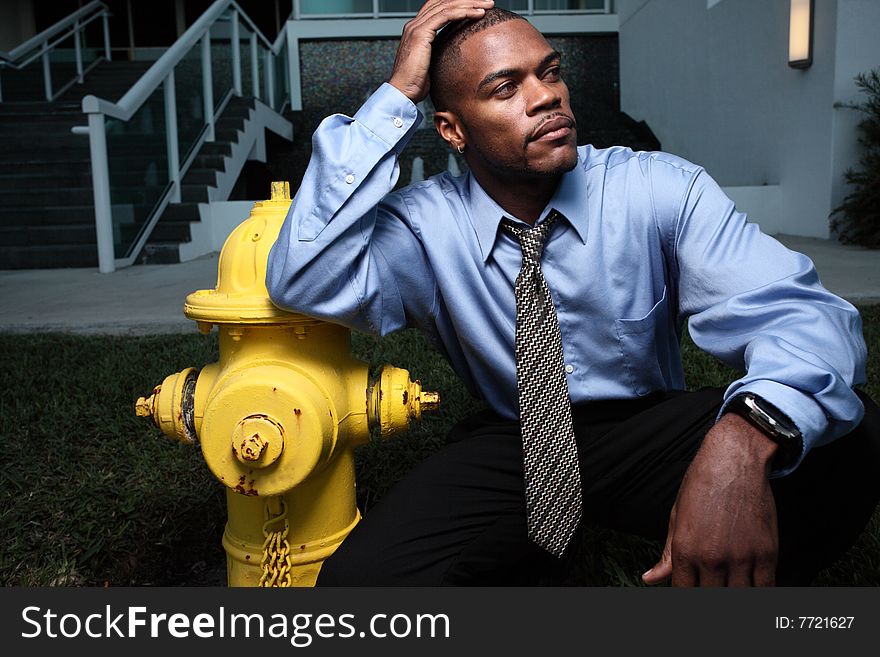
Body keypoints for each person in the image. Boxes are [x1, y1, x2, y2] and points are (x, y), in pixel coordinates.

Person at [266, 1, 880, 586]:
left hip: (647, 429)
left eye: (550, 72)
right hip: (517, 438)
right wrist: (397, 96)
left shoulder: (655, 188)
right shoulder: (424, 227)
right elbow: (305, 276)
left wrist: (739, 447)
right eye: (506, 88)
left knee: (848, 436)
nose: (547, 97)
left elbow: (804, 318)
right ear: (452, 130)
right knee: (365, 583)